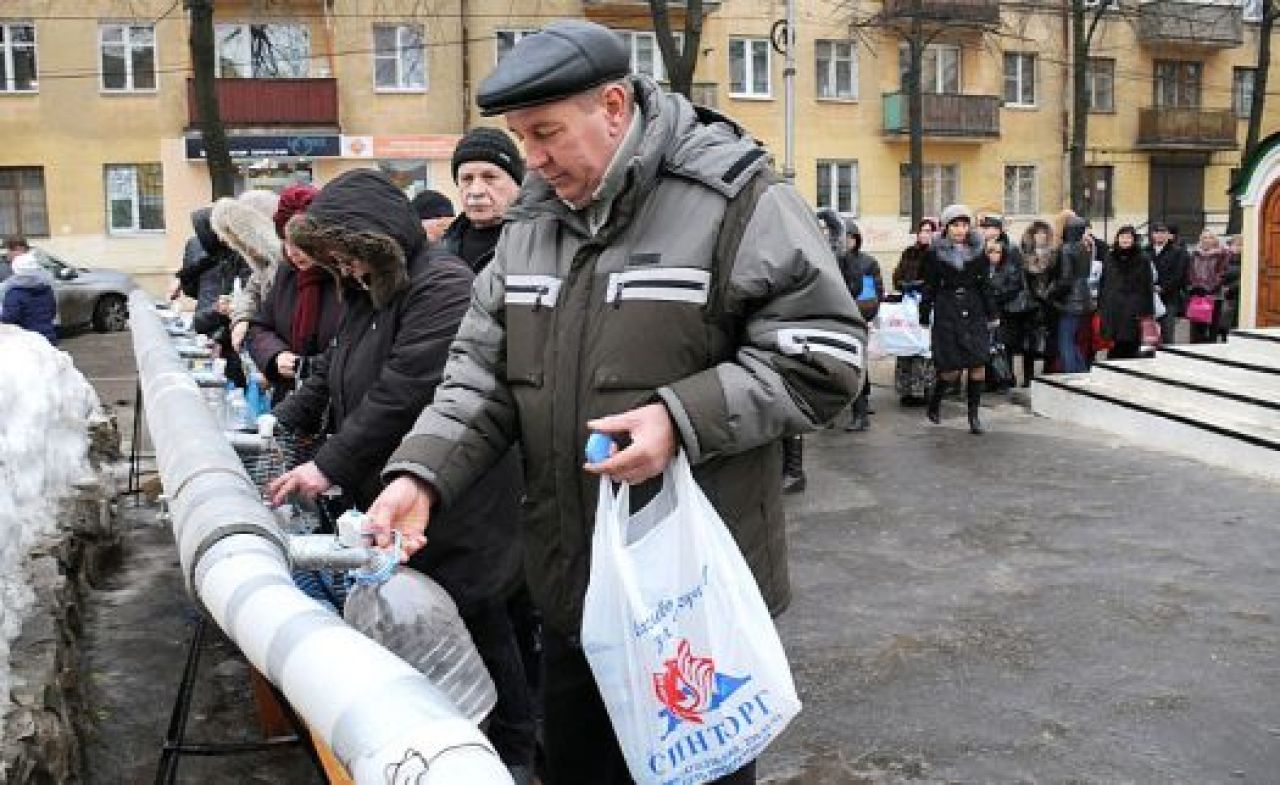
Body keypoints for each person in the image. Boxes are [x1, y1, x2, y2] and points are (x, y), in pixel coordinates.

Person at [365, 21, 864, 785]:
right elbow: (478, 374)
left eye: (546, 133)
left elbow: (824, 357)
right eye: (519, 137)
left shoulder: (734, 198)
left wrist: (680, 416)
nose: (530, 160)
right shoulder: (531, 225)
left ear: (612, 104)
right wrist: (420, 475)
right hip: (571, 594)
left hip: (690, 606)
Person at [265, 170, 535, 782]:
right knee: (434, 621)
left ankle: (513, 754)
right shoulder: (371, 294)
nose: (346, 269)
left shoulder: (441, 286)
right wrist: (287, 422)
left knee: (481, 619)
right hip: (402, 490)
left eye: (349, 254)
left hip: (459, 494)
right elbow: (333, 369)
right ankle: (454, 738)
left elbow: (404, 389)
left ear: (376, 240)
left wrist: (329, 464)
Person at [244, 186, 343, 405]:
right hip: (289, 402)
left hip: (334, 406)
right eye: (287, 242)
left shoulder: (346, 278)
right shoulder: (287, 274)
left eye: (302, 243)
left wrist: (307, 368)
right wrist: (276, 356)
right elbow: (260, 327)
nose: (293, 252)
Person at [919, 204, 996, 434]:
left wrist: (992, 313)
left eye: (964, 225)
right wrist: (924, 313)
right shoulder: (934, 253)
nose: (960, 230)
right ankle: (936, 400)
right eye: (955, 225)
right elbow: (929, 285)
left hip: (974, 308)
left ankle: (973, 416)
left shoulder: (978, 250)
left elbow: (985, 284)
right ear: (946, 227)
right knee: (951, 370)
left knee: (978, 363)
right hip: (947, 309)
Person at [442, 127, 525, 272]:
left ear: (516, 183)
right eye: (467, 179)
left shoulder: (539, 244)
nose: (476, 191)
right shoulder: (443, 250)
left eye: (490, 177)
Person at [216, 189, 281, 353]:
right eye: (241, 244)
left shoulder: (288, 266)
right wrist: (242, 318)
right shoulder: (264, 267)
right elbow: (251, 293)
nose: (248, 251)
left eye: (250, 242)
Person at [837, 217, 884, 431]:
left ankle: (860, 413)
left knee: (857, 364)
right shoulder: (830, 261)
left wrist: (860, 312)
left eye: (849, 237)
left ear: (856, 239)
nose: (845, 242)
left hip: (856, 319)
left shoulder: (868, 263)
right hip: (834, 319)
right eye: (841, 238)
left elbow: (873, 294)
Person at [893, 217, 937, 405]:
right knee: (905, 344)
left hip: (928, 303)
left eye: (929, 230)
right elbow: (897, 276)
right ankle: (906, 389)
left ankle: (925, 389)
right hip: (907, 303)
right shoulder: (908, 253)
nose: (925, 234)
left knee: (924, 348)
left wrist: (922, 286)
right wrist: (903, 284)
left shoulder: (937, 253)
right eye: (923, 230)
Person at [1097, 225, 1155, 360]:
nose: (1125, 240)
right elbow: (1104, 282)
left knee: (1130, 344)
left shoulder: (1142, 258)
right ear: (1117, 239)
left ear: (1134, 240)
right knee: (1115, 343)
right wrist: (1102, 305)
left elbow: (1147, 287)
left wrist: (1147, 313)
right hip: (1113, 309)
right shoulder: (1109, 257)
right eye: (1122, 237)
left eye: (1129, 237)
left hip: (1133, 310)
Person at [1049, 214, 1093, 374]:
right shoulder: (1084, 247)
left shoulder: (1067, 248)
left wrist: (1051, 293)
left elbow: (1066, 279)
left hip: (1070, 300)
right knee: (1073, 341)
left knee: (1065, 341)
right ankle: (1081, 372)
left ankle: (1071, 377)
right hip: (1084, 297)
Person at [985, 237, 1028, 390]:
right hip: (988, 313)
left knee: (1003, 347)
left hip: (1004, 313)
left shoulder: (1009, 269)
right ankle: (991, 380)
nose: (994, 255)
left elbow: (1013, 289)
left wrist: (995, 296)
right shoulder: (984, 269)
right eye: (990, 252)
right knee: (988, 347)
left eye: (997, 252)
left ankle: (1006, 378)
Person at [1020, 219, 1056, 378]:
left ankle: (1047, 372)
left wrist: (1049, 294)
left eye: (1043, 233)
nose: (1040, 236)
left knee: (1048, 338)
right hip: (1030, 302)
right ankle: (1028, 377)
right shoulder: (1025, 255)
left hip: (1049, 301)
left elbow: (1056, 277)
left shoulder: (1054, 254)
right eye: (1037, 233)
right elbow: (1023, 278)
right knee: (1028, 342)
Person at [1, 252, 57, 344]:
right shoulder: (46, 290)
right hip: (48, 338)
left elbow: (8, 318)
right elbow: (52, 312)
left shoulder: (15, 294)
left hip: (27, 341)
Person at [1149, 221, 1189, 346]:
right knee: (1149, 335)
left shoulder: (1178, 252)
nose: (1160, 235)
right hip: (1148, 298)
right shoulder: (1145, 251)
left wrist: (1162, 288)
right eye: (1157, 232)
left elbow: (1179, 275)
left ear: (1168, 235)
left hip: (1169, 298)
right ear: (1152, 234)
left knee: (1167, 333)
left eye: (1163, 232)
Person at [1187, 228, 1230, 344]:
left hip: (1214, 295)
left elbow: (1222, 273)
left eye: (1210, 237)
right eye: (1205, 237)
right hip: (1197, 294)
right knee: (1197, 326)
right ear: (1201, 239)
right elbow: (1190, 272)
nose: (1207, 240)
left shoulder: (1223, 254)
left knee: (1212, 326)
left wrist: (1209, 289)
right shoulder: (1194, 253)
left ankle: (1210, 348)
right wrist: (1195, 286)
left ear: (1215, 240)